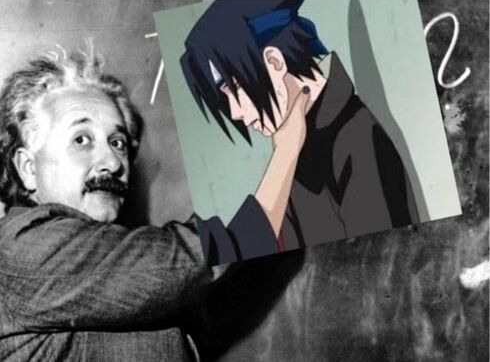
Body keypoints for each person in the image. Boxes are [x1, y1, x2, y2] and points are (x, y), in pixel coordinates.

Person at [0, 46, 308, 361]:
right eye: (82, 139)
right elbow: (189, 258)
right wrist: (285, 150)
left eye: (117, 142)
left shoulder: (109, 270)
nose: (113, 162)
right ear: (28, 168)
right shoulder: (21, 248)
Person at [181, 0, 420, 252]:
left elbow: (381, 261)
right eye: (224, 97)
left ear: (275, 61)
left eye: (235, 87)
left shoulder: (357, 138)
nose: (235, 112)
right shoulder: (292, 151)